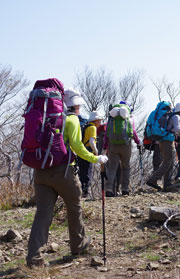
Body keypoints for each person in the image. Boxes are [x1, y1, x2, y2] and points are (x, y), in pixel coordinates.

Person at [26, 88, 108, 267]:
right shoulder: (71, 120)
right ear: (76, 105)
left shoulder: (45, 118)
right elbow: (78, 147)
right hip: (64, 172)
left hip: (40, 171)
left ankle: (34, 258)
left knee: (42, 214)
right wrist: (97, 158)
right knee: (75, 206)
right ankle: (78, 246)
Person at [146, 102, 180, 192]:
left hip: (164, 140)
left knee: (170, 162)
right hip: (167, 141)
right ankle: (153, 180)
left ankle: (167, 183)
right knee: (167, 162)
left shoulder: (173, 116)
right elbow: (177, 129)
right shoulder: (176, 116)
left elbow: (173, 129)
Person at [103, 101, 141, 197]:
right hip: (126, 145)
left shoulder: (111, 120)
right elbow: (134, 132)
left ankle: (108, 189)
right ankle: (125, 189)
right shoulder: (129, 119)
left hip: (113, 145)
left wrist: (105, 147)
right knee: (125, 167)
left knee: (112, 168)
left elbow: (106, 134)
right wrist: (138, 142)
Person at [77, 111, 104, 198]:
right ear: (95, 120)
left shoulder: (86, 127)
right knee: (88, 173)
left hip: (81, 151)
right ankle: (85, 193)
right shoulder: (93, 128)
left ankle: (81, 192)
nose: (100, 122)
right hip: (88, 151)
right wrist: (96, 153)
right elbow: (92, 142)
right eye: (99, 120)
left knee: (82, 173)